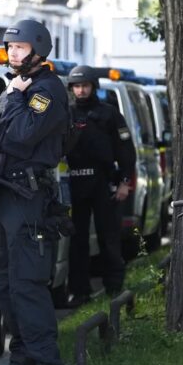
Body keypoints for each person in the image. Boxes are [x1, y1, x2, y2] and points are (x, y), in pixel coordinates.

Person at [0, 19, 68, 365]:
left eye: (20, 47)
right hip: (6, 193)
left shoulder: (45, 89)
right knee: (5, 282)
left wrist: (14, 99)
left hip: (30, 199)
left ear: (38, 49)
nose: (13, 52)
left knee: (27, 281)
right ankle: (21, 360)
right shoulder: (12, 88)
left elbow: (19, 137)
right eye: (10, 46)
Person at [65, 65, 136, 306]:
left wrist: (125, 182)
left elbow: (126, 151)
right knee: (77, 240)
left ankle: (113, 288)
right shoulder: (67, 114)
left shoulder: (109, 114)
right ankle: (79, 291)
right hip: (75, 181)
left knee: (109, 236)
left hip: (103, 181)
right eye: (77, 86)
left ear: (94, 86)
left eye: (85, 85)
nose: (81, 90)